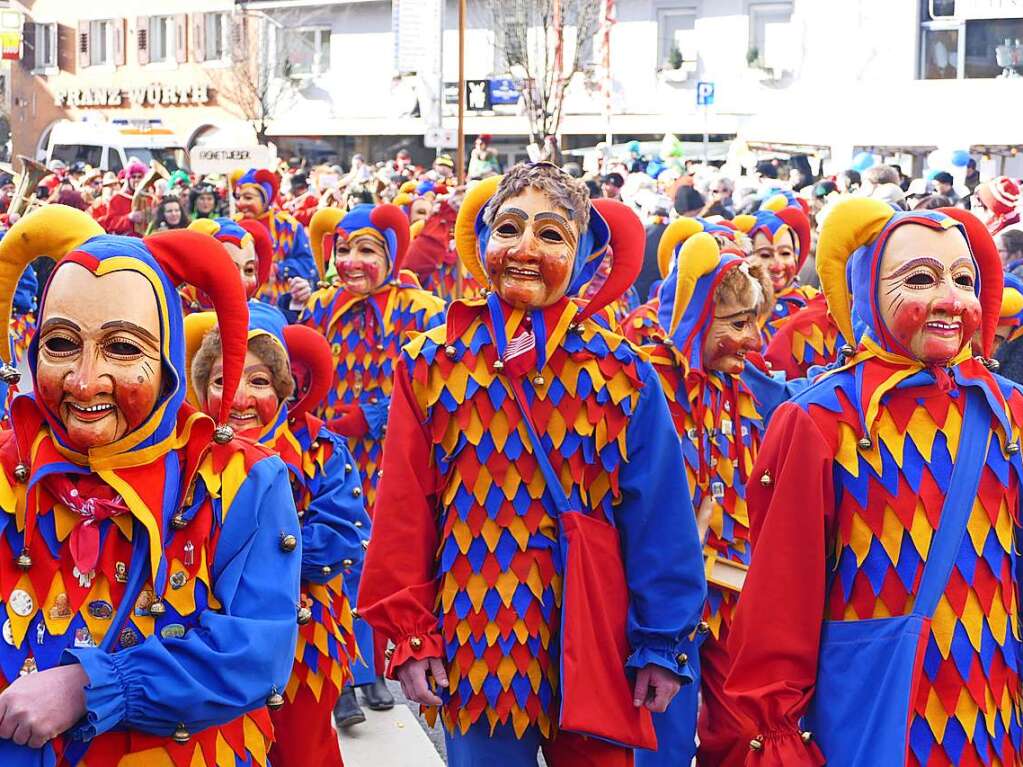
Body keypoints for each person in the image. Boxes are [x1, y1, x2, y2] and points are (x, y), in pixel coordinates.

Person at [358, 164, 706, 766]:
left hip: (600, 637)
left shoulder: (625, 375)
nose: (524, 249)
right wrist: (412, 636)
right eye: (509, 228)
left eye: (551, 235)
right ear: (482, 241)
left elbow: (660, 518)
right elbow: (405, 509)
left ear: (583, 255)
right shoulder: (429, 365)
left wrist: (661, 640)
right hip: (476, 638)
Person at [0, 204, 301, 765]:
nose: (85, 380)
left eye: (121, 347)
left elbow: (254, 651)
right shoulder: (6, 463)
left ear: (167, 365)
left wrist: (90, 686)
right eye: (61, 344)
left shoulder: (242, 480)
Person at [727, 198, 1022, 765]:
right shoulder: (822, 419)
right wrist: (775, 735)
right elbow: (778, 607)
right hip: (874, 725)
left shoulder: (1009, 412)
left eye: (964, 280)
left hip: (996, 718)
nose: (948, 299)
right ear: (866, 288)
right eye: (918, 278)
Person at [188, 302, 370, 767]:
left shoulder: (320, 449)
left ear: (284, 388)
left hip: (306, 647)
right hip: (209, 645)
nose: (240, 396)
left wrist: (247, 557)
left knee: (303, 752)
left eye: (259, 381)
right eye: (221, 379)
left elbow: (341, 538)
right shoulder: (186, 459)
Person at [640, 226, 787, 767]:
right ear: (697, 317)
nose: (754, 340)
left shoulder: (748, 383)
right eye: (738, 324)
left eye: (757, 322)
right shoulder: (644, 380)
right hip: (664, 600)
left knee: (743, 729)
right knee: (664, 738)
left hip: (736, 588)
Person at [293, 203, 446, 716]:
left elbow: (434, 384)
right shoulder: (318, 306)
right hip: (327, 458)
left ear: (393, 254)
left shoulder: (420, 310)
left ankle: (373, 664)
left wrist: (373, 417)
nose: (352, 262)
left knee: (381, 559)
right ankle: (342, 675)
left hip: (390, 457)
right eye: (343, 250)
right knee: (333, 561)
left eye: (367, 250)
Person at [734, 192, 815, 343]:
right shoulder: (732, 309)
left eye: (785, 253)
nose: (777, 266)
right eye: (765, 255)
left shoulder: (812, 303)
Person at [234, 167, 318, 304]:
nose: (240, 203)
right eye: (238, 197)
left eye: (248, 198)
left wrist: (279, 268)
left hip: (279, 305)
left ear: (265, 199)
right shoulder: (233, 225)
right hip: (240, 302)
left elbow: (308, 265)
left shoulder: (288, 226)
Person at [183, 217, 274, 312]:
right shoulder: (178, 306)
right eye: (231, 270)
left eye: (249, 270)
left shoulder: (258, 313)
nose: (242, 280)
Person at [99, 160, 148, 236]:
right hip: (126, 241)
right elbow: (110, 224)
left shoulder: (150, 198)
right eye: (133, 177)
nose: (136, 180)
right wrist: (129, 218)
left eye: (140, 177)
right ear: (128, 179)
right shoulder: (117, 198)